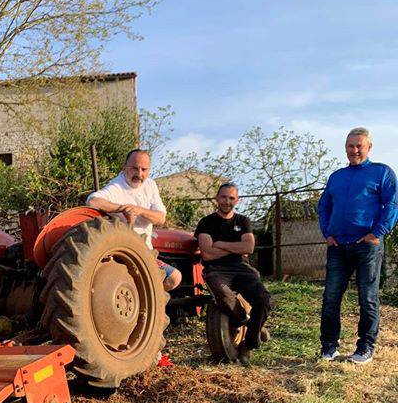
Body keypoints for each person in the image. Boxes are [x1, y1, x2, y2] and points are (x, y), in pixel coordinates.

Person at [318, 127, 398, 364]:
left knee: (368, 297)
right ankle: (329, 347)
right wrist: (327, 234)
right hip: (338, 247)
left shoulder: (381, 173)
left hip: (367, 247)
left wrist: (378, 232)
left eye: (359, 146)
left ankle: (365, 348)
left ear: (368, 147)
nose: (354, 150)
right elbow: (324, 206)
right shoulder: (337, 177)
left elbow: (392, 204)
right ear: (345, 148)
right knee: (331, 297)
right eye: (350, 146)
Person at [195, 182, 272, 365]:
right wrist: (236, 248)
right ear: (217, 198)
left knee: (263, 300)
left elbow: (249, 247)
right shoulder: (206, 223)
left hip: (241, 268)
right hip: (216, 270)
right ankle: (246, 320)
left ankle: (248, 345)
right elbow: (207, 253)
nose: (227, 201)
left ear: (237, 200)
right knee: (224, 295)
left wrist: (219, 244)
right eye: (223, 197)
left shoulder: (243, 221)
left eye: (231, 198)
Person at [87, 148, 182, 290]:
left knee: (172, 279)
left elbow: (160, 218)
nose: (139, 174)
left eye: (144, 169)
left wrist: (139, 210)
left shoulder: (150, 185)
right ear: (124, 168)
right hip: (123, 251)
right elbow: (92, 201)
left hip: (144, 249)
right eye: (134, 169)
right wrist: (122, 208)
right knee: (174, 276)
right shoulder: (117, 186)